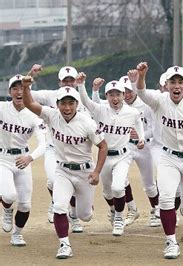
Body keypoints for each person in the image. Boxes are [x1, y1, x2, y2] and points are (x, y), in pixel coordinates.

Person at [21, 75, 107, 259]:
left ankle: (83, 207)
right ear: (57, 104)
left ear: (77, 104)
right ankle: (64, 245)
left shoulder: (87, 122)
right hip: (63, 170)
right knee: (59, 207)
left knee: (85, 216)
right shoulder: (52, 115)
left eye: (71, 103)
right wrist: (26, 88)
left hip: (85, 172)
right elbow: (30, 105)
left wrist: (97, 172)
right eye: (63, 103)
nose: (67, 108)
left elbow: (103, 146)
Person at [136, 62, 183, 259]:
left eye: (180, 82)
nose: (176, 86)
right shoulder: (159, 101)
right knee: (166, 199)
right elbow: (142, 93)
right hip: (168, 157)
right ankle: (170, 241)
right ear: (167, 84)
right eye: (172, 82)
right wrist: (142, 75)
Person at [78, 74, 145, 236]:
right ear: (106, 96)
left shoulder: (132, 112)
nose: (115, 98)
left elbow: (138, 123)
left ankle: (119, 219)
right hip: (105, 157)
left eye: (118, 94)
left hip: (123, 155)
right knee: (108, 193)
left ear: (124, 95)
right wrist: (81, 85)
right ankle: (114, 211)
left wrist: (141, 138)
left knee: (117, 187)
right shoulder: (101, 110)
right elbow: (86, 102)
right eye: (111, 94)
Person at [92, 75, 160, 227]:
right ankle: (131, 208)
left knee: (149, 184)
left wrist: (142, 136)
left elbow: (154, 129)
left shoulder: (145, 105)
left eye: (130, 91)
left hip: (144, 147)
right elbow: (96, 105)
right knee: (120, 181)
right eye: (125, 92)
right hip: (124, 147)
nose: (128, 95)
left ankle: (156, 210)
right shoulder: (113, 104)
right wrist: (95, 90)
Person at [28, 64, 87, 232]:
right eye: (65, 80)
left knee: (75, 185)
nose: (68, 83)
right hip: (54, 147)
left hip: (77, 149)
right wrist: (31, 75)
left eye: (71, 80)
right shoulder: (51, 96)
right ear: (59, 82)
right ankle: (56, 203)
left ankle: (74, 215)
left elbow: (95, 107)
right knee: (53, 181)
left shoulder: (81, 96)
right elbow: (27, 94)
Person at [0, 74, 46, 247]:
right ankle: (6, 209)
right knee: (10, 195)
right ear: (10, 91)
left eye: (22, 88)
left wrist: (30, 157)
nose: (19, 92)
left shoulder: (35, 115)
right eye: (15, 88)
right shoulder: (2, 108)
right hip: (2, 158)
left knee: (25, 204)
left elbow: (43, 143)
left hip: (23, 159)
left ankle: (17, 234)